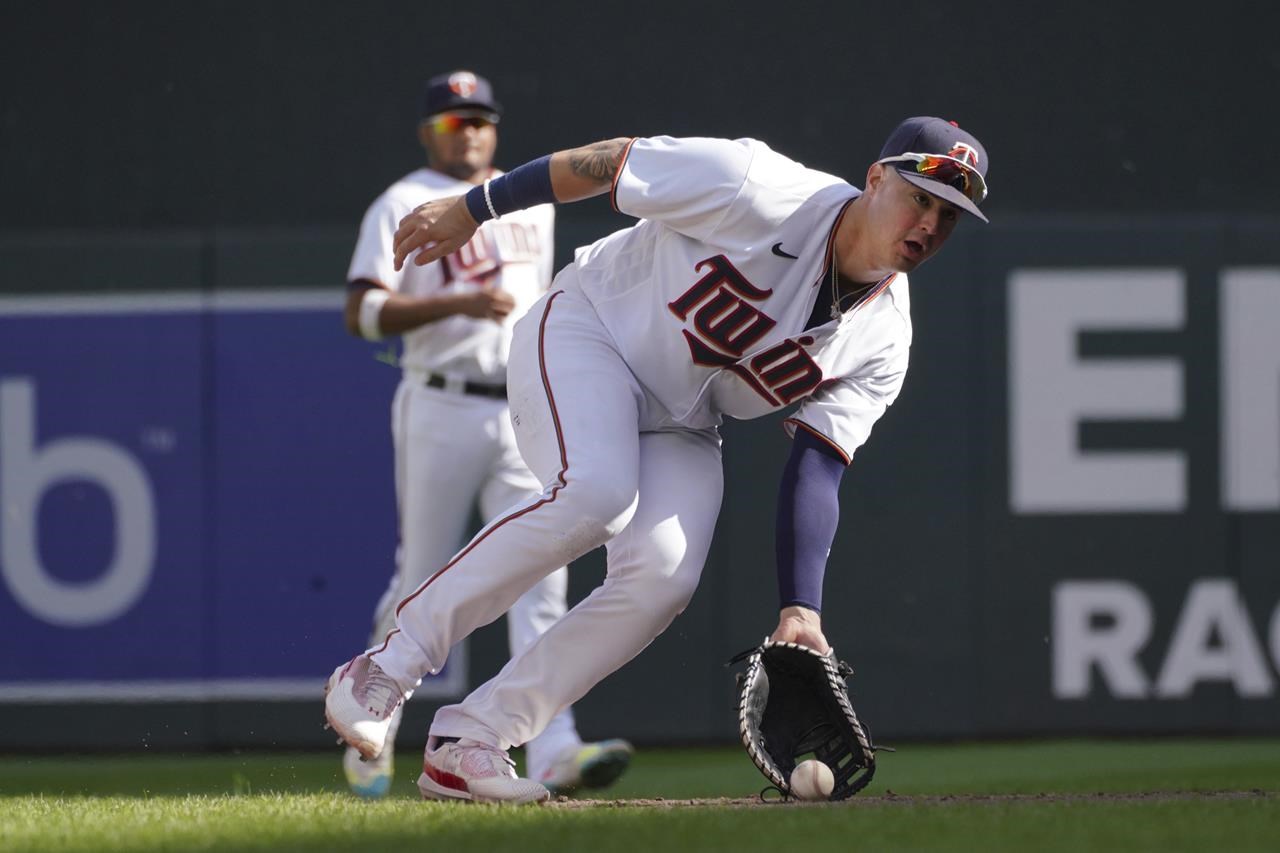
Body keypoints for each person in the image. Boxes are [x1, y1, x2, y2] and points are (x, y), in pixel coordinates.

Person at [327, 116, 991, 804]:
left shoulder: (884, 337)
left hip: (684, 417)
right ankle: (386, 663)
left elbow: (819, 465)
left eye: (950, 215)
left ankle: (472, 738)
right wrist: (474, 208)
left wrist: (801, 608)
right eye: (921, 198)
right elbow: (610, 162)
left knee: (662, 579)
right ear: (876, 178)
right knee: (598, 494)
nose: (931, 225)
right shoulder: (760, 187)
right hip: (589, 332)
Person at [338, 69, 633, 799]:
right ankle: (371, 725)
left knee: (544, 574)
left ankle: (551, 745)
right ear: (426, 131)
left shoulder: (524, 199)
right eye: (450, 121)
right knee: (423, 572)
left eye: (478, 119)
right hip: (439, 402)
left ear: (494, 128)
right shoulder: (401, 201)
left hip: (524, 403)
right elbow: (362, 313)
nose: (466, 130)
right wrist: (456, 304)